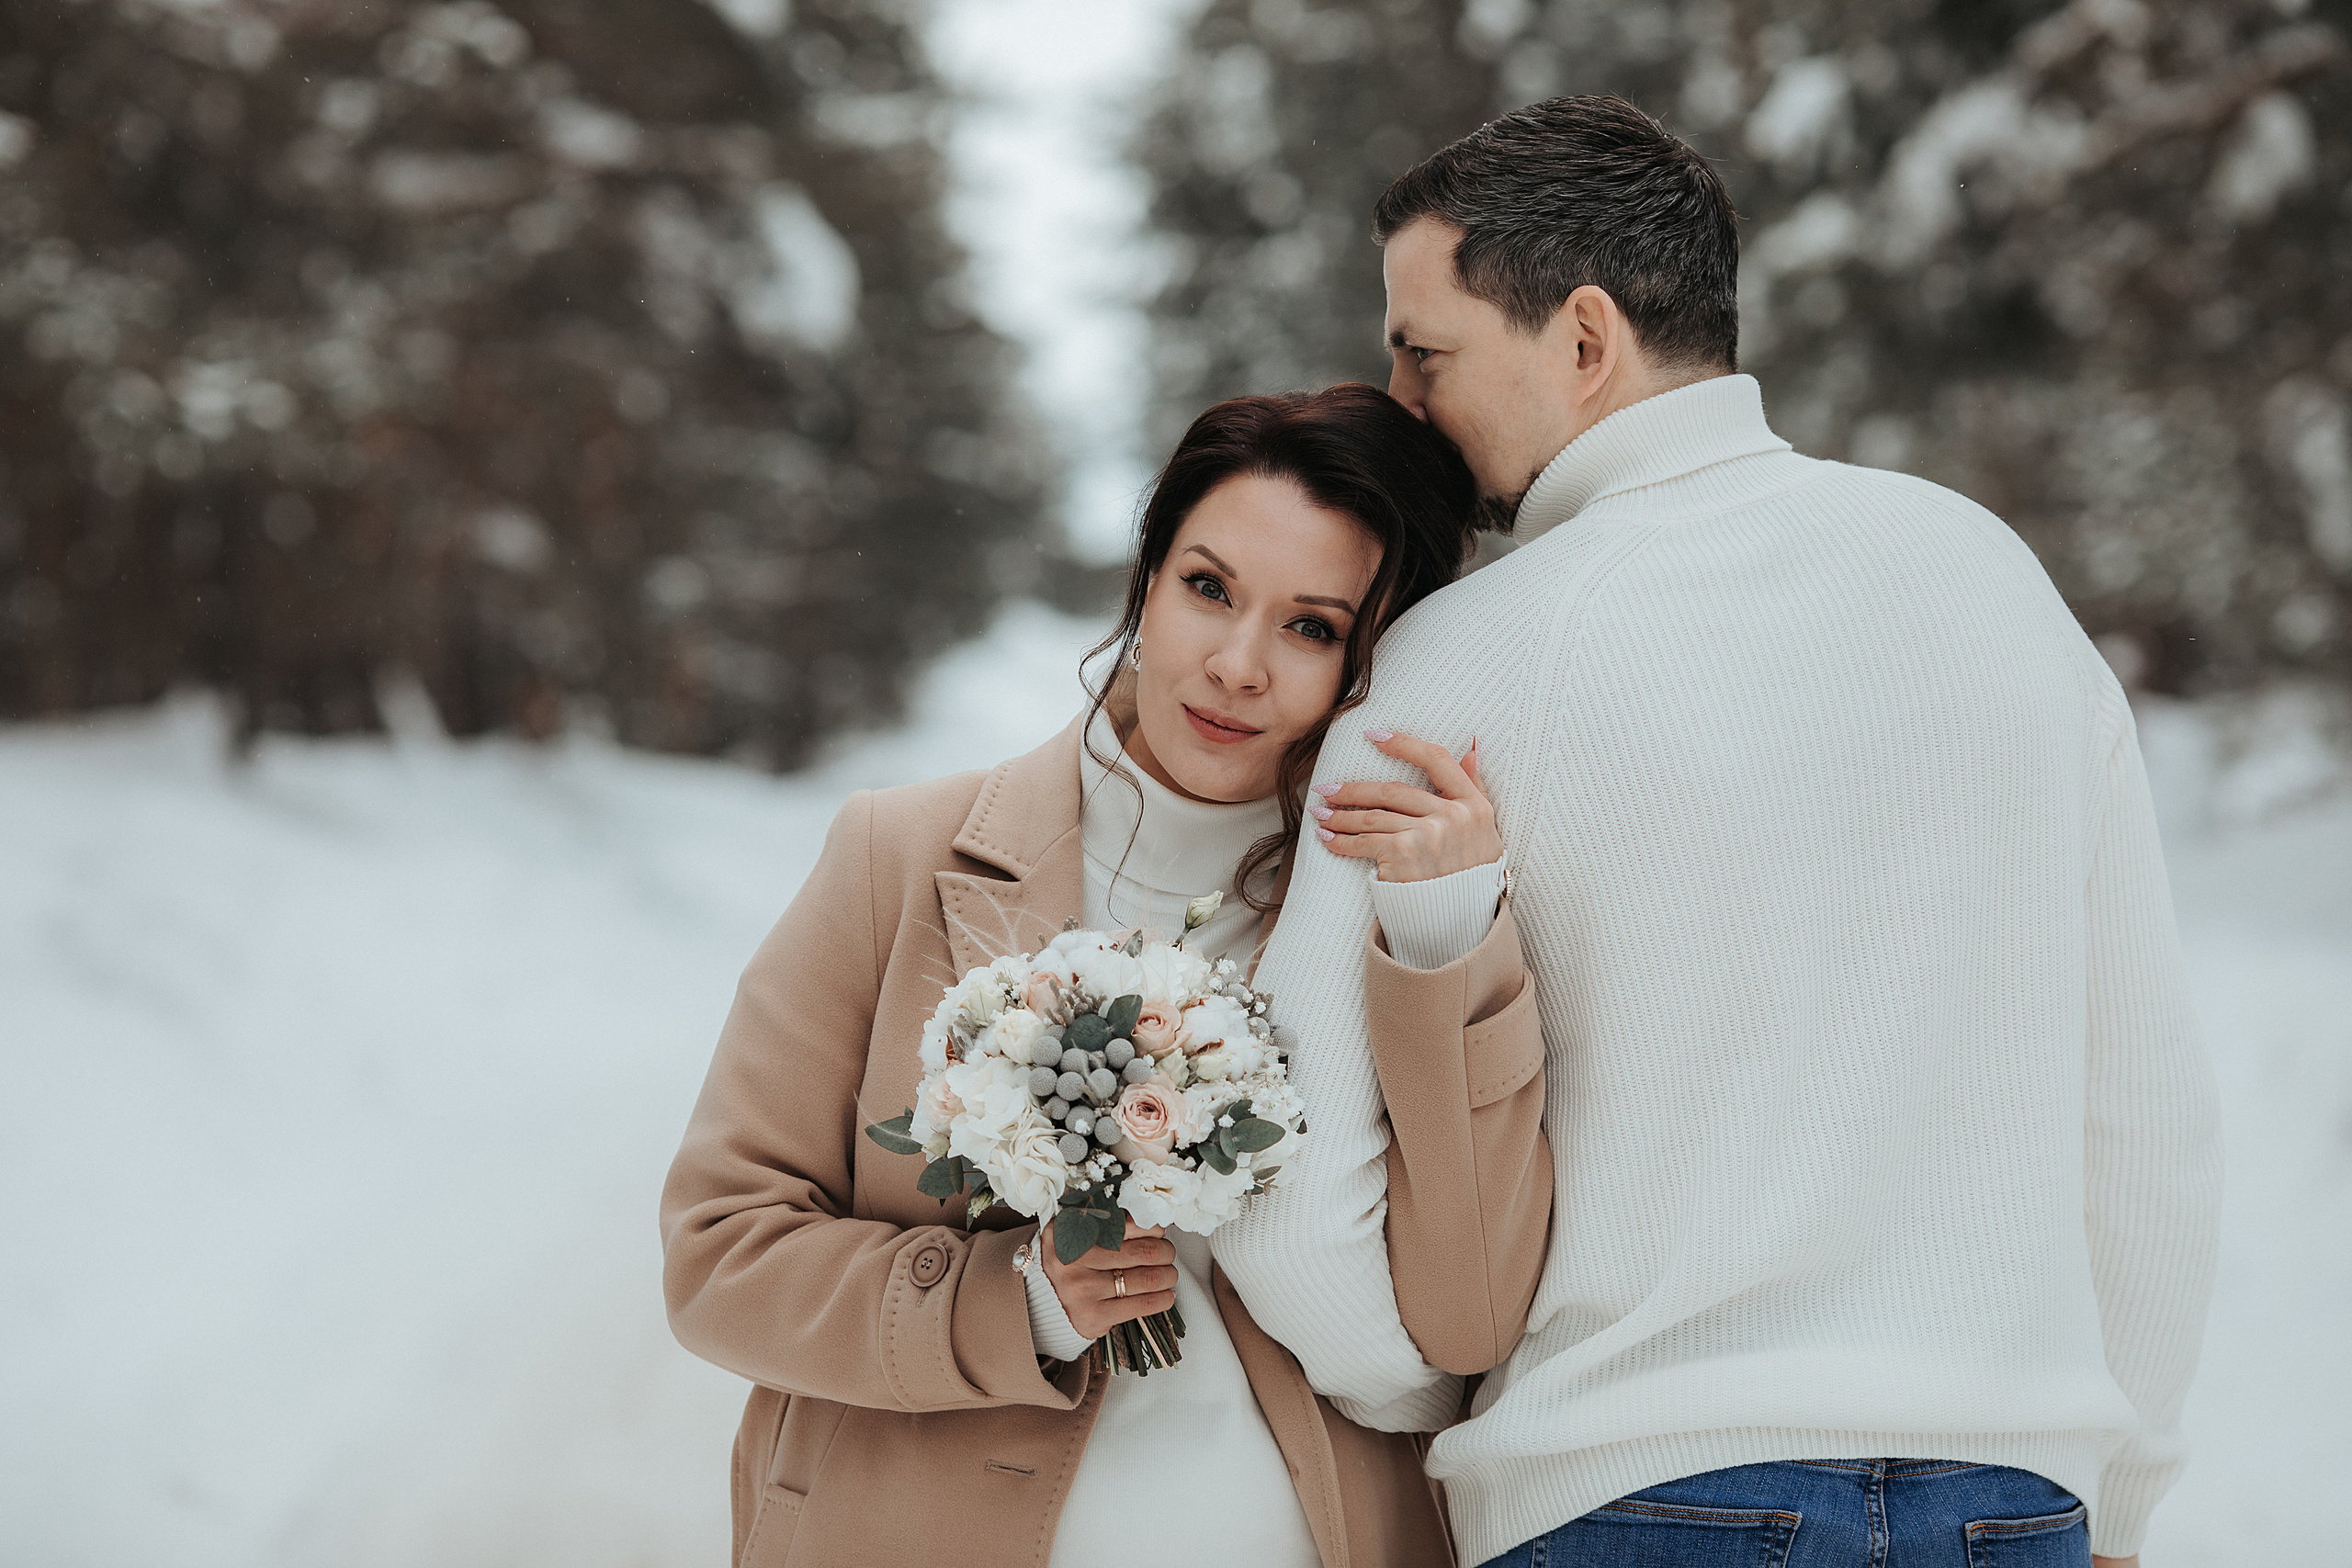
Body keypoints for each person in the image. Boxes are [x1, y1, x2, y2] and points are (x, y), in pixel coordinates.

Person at [1214, 96, 2222, 1568]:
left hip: (1635, 1498)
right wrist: (2116, 1492)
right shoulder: (1992, 581)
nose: (1401, 398)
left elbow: (1294, 1198)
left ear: (1582, 338)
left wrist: (1455, 1391)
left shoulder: (1468, 655)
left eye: (1424, 351)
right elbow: (2143, 1118)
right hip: (2010, 1505)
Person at [660, 383, 1553, 1568]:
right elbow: (721, 1254)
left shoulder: (1391, 922)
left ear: (1372, 661)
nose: (1237, 665)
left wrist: (1443, 934)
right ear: (1146, 581)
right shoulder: (901, 856)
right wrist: (1019, 1299)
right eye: (1208, 588)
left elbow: (1475, 1318)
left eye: (1312, 627)